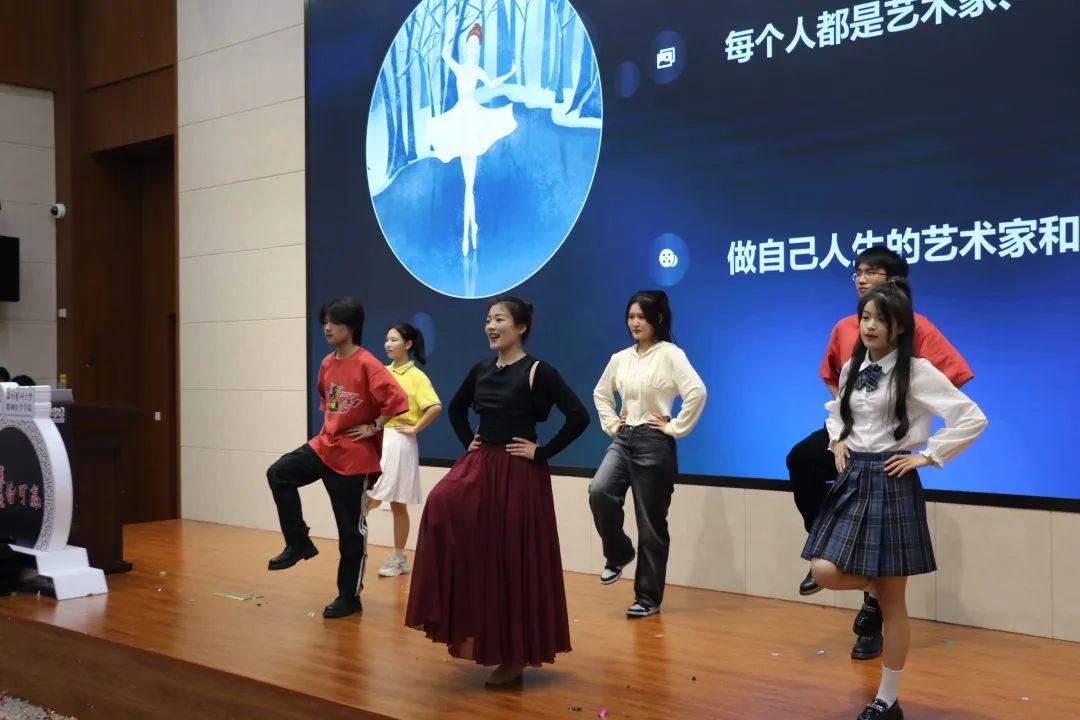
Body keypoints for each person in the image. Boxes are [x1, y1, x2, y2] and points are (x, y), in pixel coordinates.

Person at [803, 281, 987, 720]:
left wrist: (928, 456)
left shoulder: (917, 371)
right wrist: (837, 440)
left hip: (892, 480)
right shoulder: (852, 367)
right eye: (865, 317)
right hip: (854, 477)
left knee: (893, 602)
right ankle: (874, 582)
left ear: (899, 327)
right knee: (823, 569)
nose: (869, 326)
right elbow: (837, 413)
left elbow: (971, 417)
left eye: (880, 320)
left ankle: (887, 698)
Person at [787, 246, 972, 660]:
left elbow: (954, 385)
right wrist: (842, 430)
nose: (861, 278)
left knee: (889, 587)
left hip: (891, 448)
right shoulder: (845, 325)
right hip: (852, 435)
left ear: (894, 281)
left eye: (871, 272)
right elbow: (833, 378)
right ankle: (832, 546)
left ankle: (872, 618)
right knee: (801, 459)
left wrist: (917, 432)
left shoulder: (917, 328)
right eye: (857, 272)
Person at [405, 297, 589, 687]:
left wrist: (543, 452)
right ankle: (472, 624)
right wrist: (468, 442)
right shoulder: (481, 370)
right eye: (488, 319)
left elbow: (579, 416)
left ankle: (513, 656)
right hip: (481, 465)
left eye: (499, 319)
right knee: (440, 506)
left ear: (521, 327)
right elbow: (456, 410)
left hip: (519, 473)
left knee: (511, 559)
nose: (490, 326)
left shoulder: (538, 371)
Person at [266, 298, 408, 618]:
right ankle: (298, 542)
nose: (327, 328)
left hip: (354, 455)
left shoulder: (368, 363)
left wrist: (374, 426)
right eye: (325, 321)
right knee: (279, 473)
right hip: (325, 445)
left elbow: (397, 400)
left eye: (334, 322)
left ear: (352, 327)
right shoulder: (327, 363)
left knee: (350, 530)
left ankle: (349, 596)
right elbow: (328, 403)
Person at [589, 290, 707, 618]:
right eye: (631, 317)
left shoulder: (670, 354)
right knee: (600, 491)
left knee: (651, 523)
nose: (635, 323)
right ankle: (618, 553)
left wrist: (675, 427)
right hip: (624, 437)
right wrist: (612, 423)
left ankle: (648, 597)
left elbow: (697, 392)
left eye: (642, 317)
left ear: (658, 319)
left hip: (654, 442)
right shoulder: (620, 358)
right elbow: (601, 393)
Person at [428, 22, 518, 257]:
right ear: (466, 45)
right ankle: (470, 231)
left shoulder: (477, 70)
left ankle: (469, 233)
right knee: (467, 185)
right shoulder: (460, 68)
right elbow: (444, 55)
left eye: (476, 46)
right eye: (470, 45)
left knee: (470, 184)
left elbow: (492, 83)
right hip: (460, 120)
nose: (472, 49)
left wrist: (511, 72)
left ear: (478, 49)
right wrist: (448, 30)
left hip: (474, 121)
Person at [367, 323, 442, 577]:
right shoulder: (381, 372)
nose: (388, 344)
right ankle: (359, 544)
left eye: (394, 340)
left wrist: (415, 428)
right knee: (372, 492)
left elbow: (434, 406)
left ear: (408, 344)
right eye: (386, 339)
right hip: (379, 435)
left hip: (400, 440)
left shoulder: (417, 376)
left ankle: (398, 557)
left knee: (393, 501)